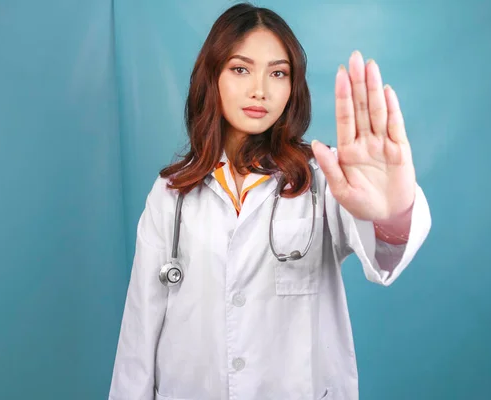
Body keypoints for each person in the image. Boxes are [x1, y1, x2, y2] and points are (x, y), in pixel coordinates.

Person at [108, 2, 431, 400]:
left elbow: (383, 254)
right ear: (212, 76)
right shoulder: (170, 194)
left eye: (278, 73)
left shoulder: (322, 179)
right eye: (240, 68)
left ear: (292, 87)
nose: (260, 89)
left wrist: (392, 213)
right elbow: (140, 331)